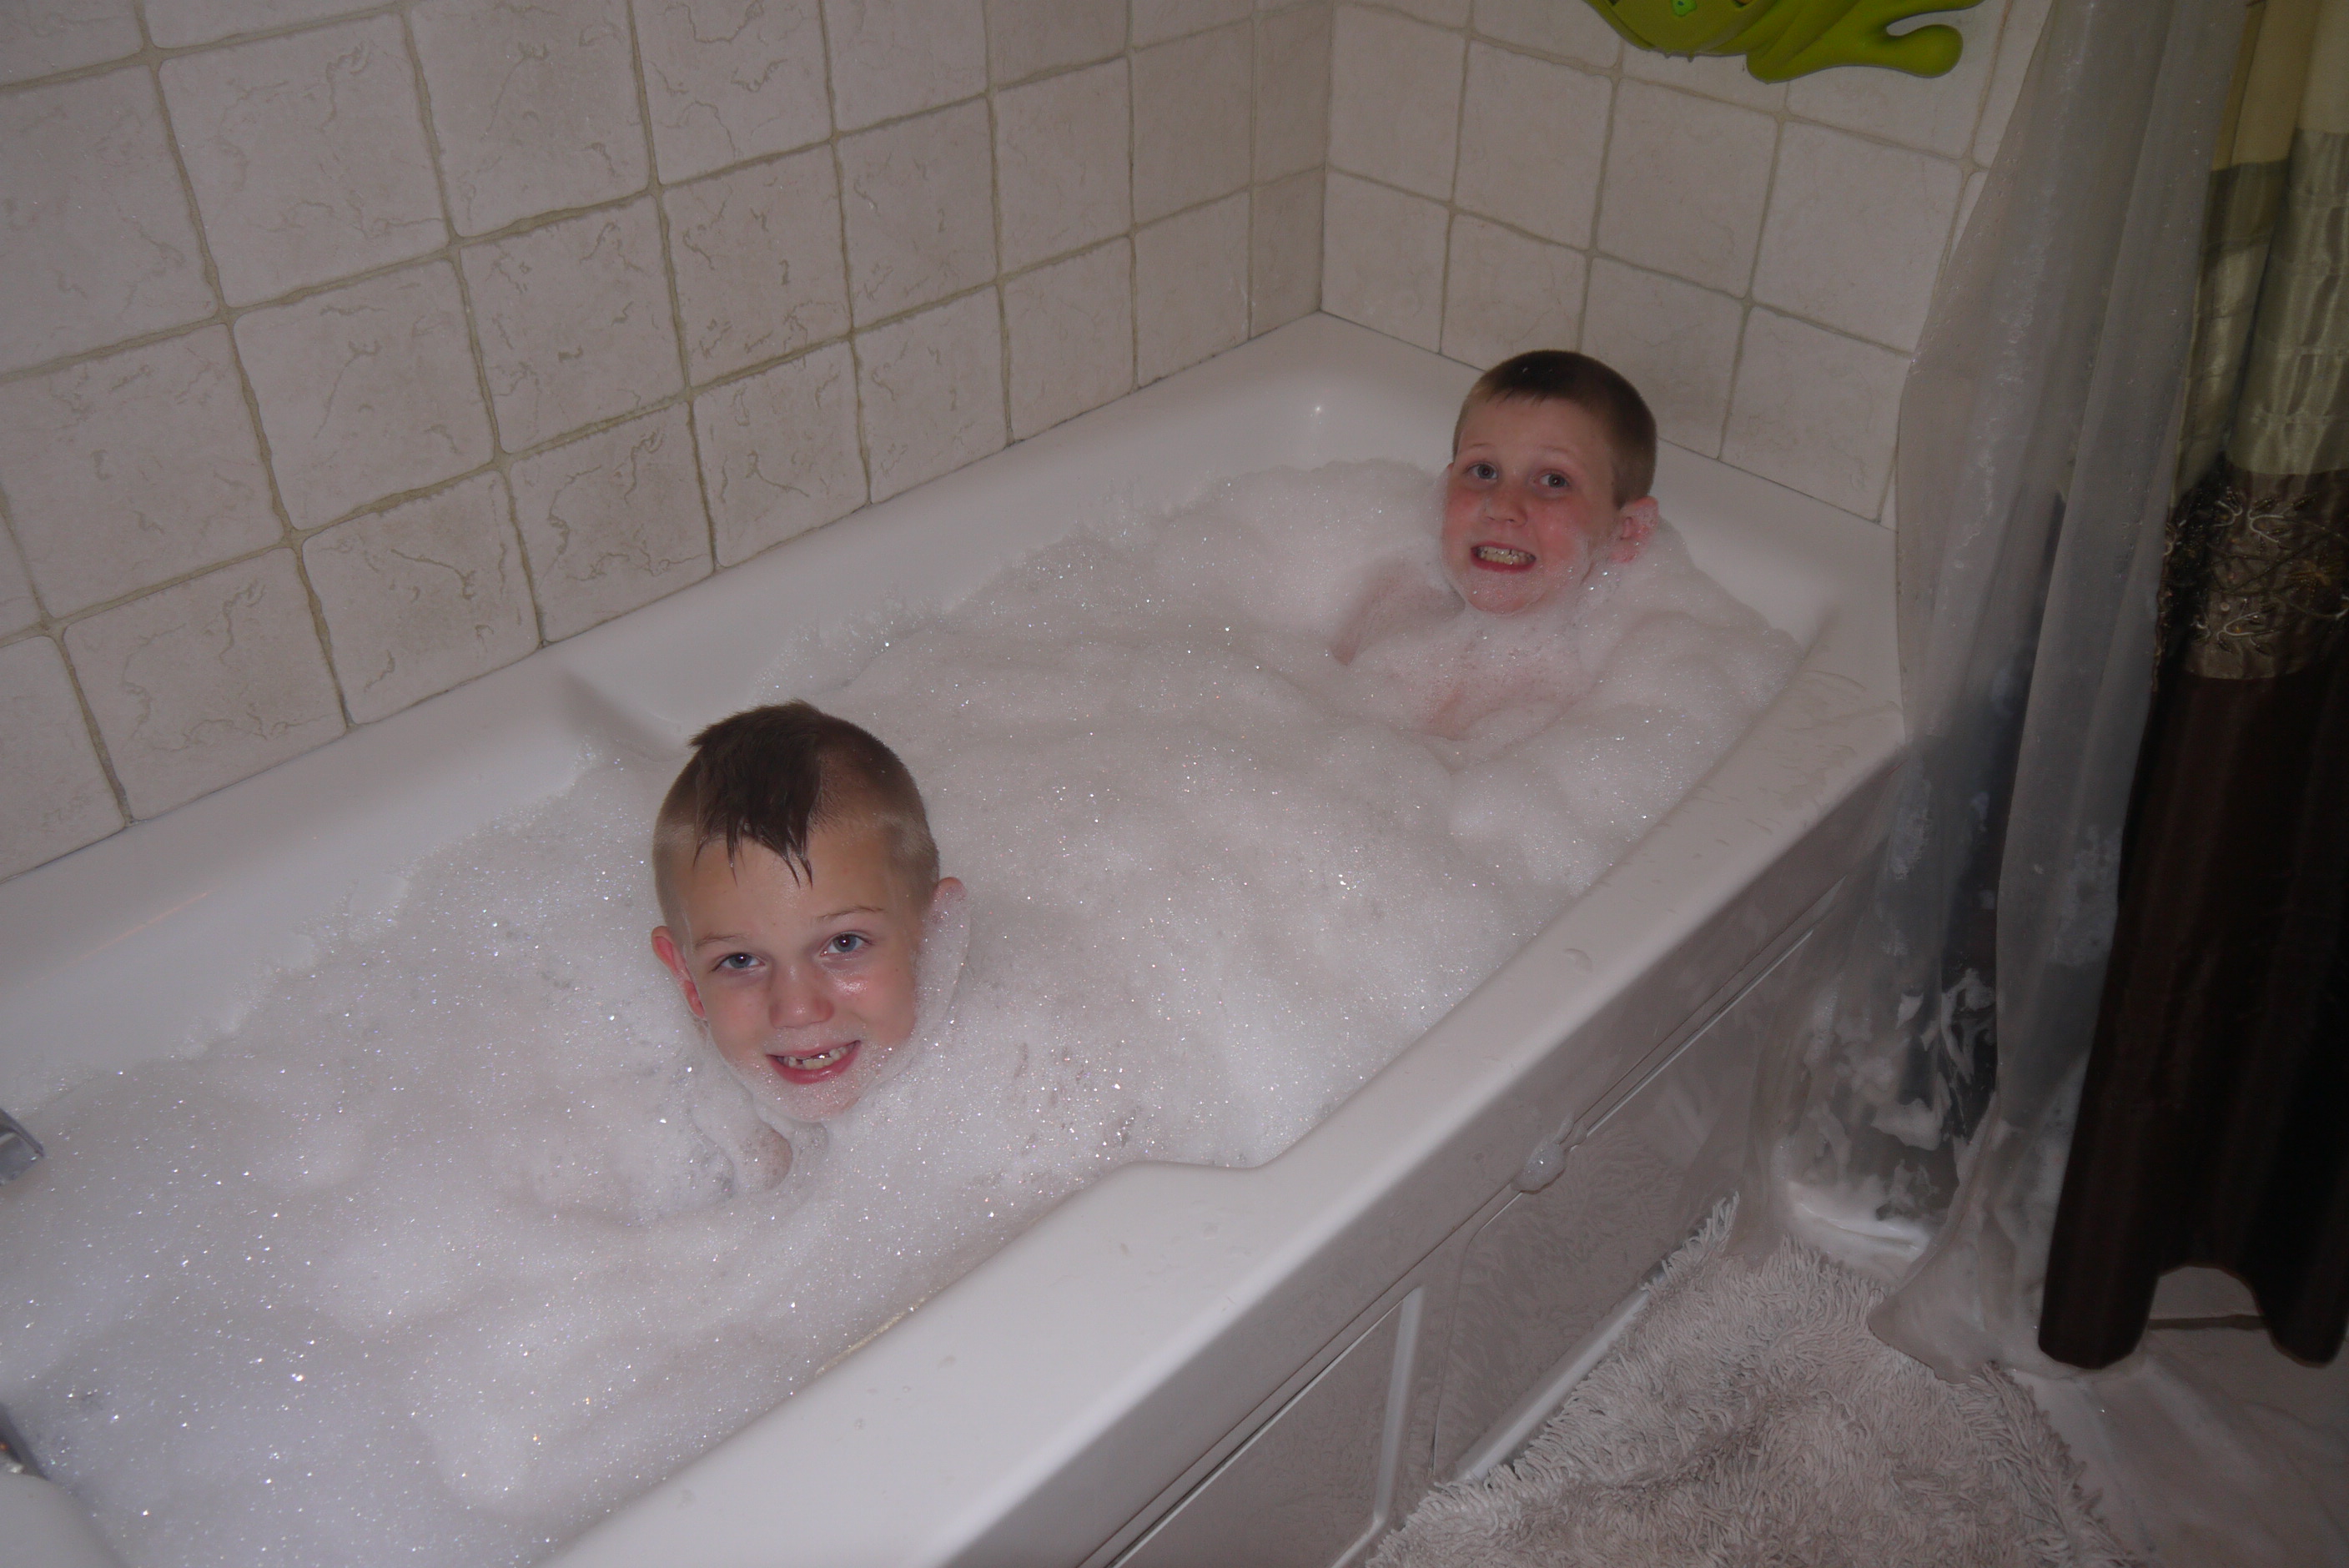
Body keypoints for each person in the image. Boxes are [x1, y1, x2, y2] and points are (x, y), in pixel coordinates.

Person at [650, 701, 963, 1124]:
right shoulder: (687, 1118)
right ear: (686, 976)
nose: (797, 1010)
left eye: (844, 943)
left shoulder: (1020, 1073)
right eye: (740, 960)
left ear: (939, 933)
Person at [1336, 349, 1662, 661]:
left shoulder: (1614, 675)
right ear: (1444, 490)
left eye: (1554, 481)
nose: (1503, 506)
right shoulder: (1382, 608)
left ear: (1626, 532)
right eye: (1484, 471)